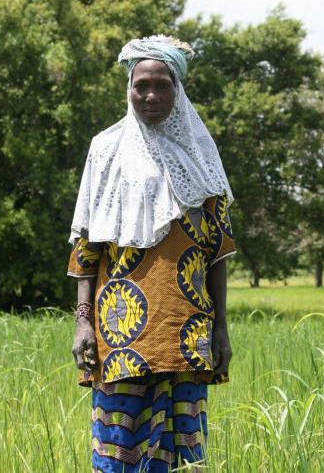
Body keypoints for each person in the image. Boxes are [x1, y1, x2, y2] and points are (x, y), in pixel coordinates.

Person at [66, 35, 235, 473]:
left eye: (162, 85)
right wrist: (83, 321)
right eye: (142, 84)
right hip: (121, 328)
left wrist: (221, 328)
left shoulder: (200, 153)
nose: (152, 95)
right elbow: (87, 245)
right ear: (129, 88)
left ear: (178, 90)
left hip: (187, 326)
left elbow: (216, 252)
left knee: (185, 453)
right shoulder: (105, 148)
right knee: (117, 446)